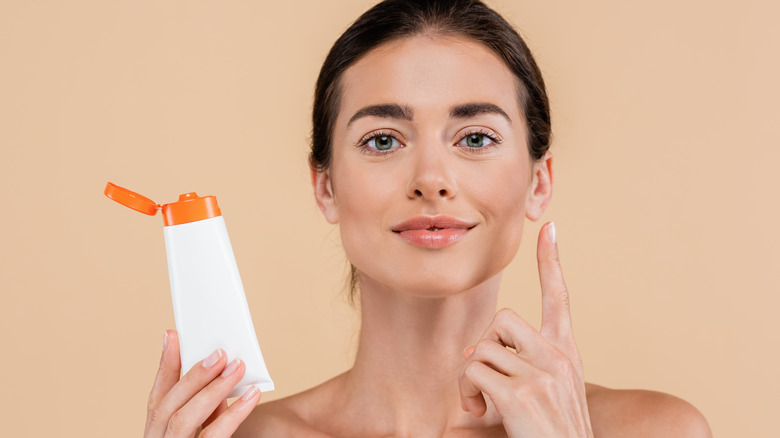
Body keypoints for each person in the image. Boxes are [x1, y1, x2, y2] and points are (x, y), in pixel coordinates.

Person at [143, 1, 712, 436]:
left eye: (476, 137)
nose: (431, 178)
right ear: (326, 186)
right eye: (384, 139)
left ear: (538, 182)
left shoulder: (655, 430)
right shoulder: (238, 437)